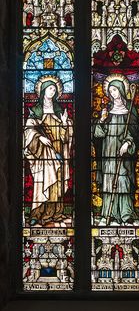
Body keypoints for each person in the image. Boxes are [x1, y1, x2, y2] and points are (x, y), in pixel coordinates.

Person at [24, 76, 73, 226]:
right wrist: (39, 138)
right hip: (43, 152)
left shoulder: (59, 111)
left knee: (57, 183)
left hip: (58, 149)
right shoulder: (36, 111)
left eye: (54, 89)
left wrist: (65, 123)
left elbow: (66, 135)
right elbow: (28, 130)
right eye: (50, 88)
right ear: (43, 91)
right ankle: (37, 213)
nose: (52, 91)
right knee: (43, 181)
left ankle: (56, 213)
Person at [93, 76, 139, 225]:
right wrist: (101, 120)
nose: (112, 93)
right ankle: (109, 213)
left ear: (121, 90)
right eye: (110, 91)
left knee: (123, 180)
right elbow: (98, 134)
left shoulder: (130, 110)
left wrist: (128, 142)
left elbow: (135, 131)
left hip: (123, 153)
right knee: (109, 181)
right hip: (108, 151)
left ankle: (126, 214)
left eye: (115, 90)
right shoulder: (106, 111)